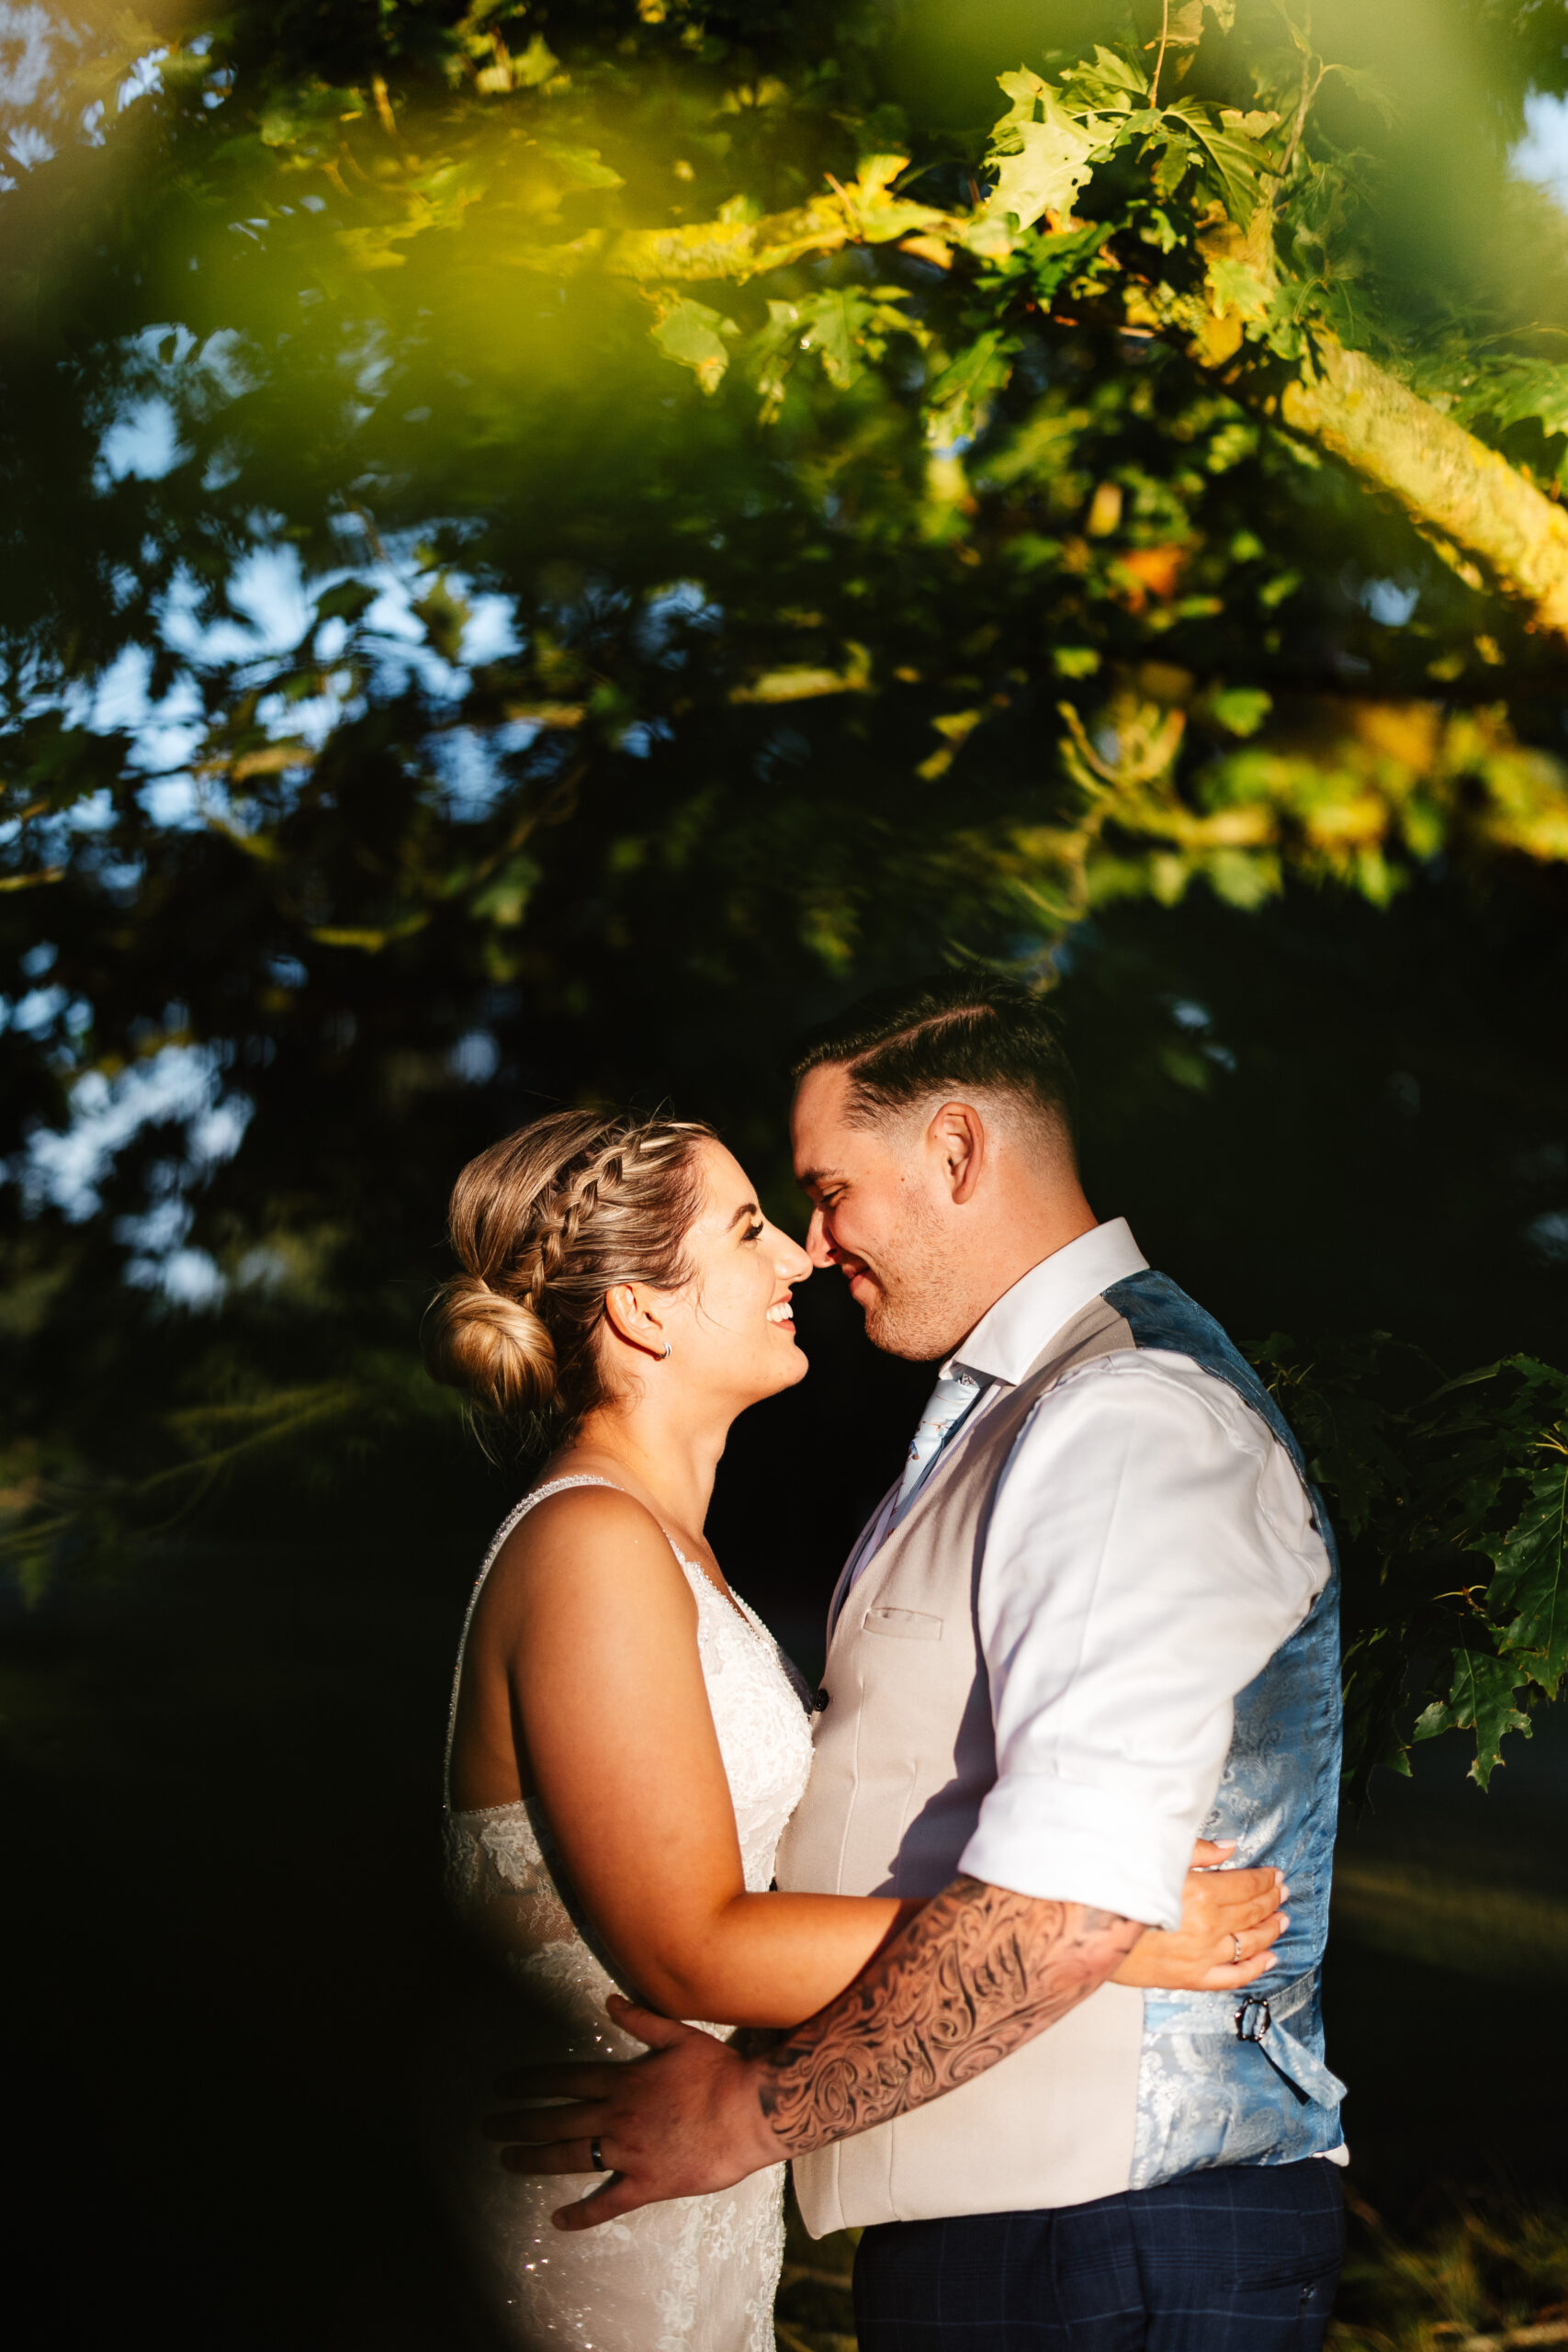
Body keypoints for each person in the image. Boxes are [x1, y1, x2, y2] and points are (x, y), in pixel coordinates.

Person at [492, 977, 1349, 2351]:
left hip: (1108, 2247)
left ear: (955, 1152)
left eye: (825, 1192)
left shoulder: (1123, 1413)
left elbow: (1071, 1902)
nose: (813, 1247)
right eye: (773, 1217)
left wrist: (759, 2110)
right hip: (1021, 2247)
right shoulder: (1007, 1413)